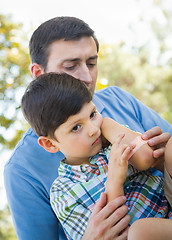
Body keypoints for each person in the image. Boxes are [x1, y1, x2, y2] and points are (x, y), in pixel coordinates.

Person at [4, 16, 172, 240]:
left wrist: (159, 156)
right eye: (71, 66)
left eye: (92, 63)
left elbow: (157, 155)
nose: (86, 76)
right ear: (38, 73)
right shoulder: (22, 171)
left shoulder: (116, 100)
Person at [21, 72, 172, 240]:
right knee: (140, 232)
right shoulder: (63, 192)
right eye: (76, 127)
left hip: (169, 203)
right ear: (50, 144)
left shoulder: (110, 139)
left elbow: (146, 158)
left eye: (92, 114)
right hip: (138, 233)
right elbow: (114, 232)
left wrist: (108, 125)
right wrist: (115, 180)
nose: (93, 129)